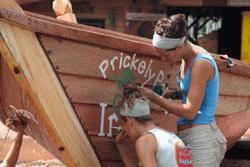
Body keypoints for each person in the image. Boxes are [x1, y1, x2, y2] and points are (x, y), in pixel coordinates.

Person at [137, 14, 227, 166]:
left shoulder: (200, 64)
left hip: (201, 140)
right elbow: (198, 91)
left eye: (165, 55)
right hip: (188, 136)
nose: (163, 60)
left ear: (179, 47)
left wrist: (154, 97)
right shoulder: (187, 57)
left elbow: (191, 111)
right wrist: (174, 94)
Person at [115, 85, 193, 167]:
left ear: (129, 121)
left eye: (123, 126)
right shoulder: (167, 136)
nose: (125, 131)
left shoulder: (146, 140)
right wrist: (120, 146)